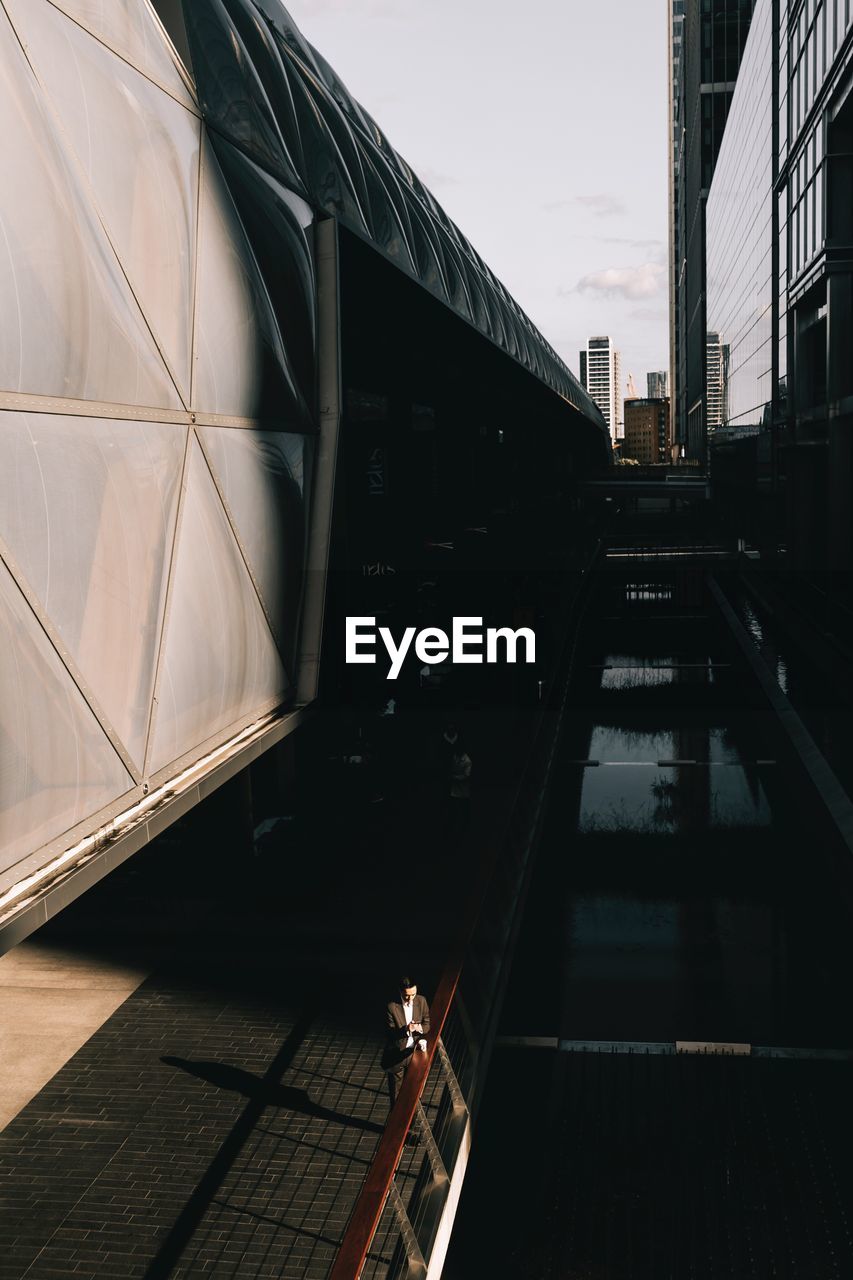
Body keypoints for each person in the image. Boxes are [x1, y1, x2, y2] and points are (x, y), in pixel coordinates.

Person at [383, 975, 430, 1109]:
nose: (410, 999)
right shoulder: (391, 1007)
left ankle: (412, 1121)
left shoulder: (421, 1001)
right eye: (406, 996)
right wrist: (406, 1030)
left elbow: (427, 1023)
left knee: (414, 1092)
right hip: (397, 1055)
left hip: (414, 1053)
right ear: (400, 992)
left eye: (413, 994)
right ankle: (395, 1123)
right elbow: (389, 1034)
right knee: (396, 1095)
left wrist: (420, 1029)